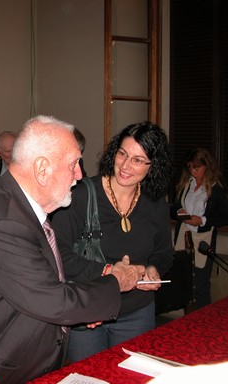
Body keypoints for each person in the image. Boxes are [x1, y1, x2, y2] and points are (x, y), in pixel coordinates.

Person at [0, 115, 147, 384]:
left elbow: (35, 291)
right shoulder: (4, 222)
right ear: (42, 169)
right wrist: (116, 281)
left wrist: (83, 313)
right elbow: (52, 301)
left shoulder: (19, 205)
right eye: (73, 164)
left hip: (22, 359)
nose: (80, 175)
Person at [52, 122, 175, 362]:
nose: (126, 166)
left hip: (137, 311)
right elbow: (58, 254)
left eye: (138, 160)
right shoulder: (82, 195)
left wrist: (153, 269)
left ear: (154, 166)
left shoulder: (155, 203)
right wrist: (110, 273)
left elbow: (164, 252)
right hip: (88, 312)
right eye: (123, 154)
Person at [171, 147, 228, 308]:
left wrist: (202, 220)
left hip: (204, 240)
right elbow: (173, 208)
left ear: (207, 166)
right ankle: (187, 321)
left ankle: (204, 323)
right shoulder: (186, 185)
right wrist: (179, 212)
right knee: (185, 284)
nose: (193, 172)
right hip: (184, 236)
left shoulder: (216, 188)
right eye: (190, 167)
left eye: (197, 168)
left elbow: (225, 216)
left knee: (201, 285)